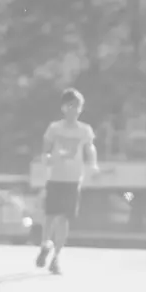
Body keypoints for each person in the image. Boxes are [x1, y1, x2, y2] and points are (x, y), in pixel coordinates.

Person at [35, 89, 98, 275]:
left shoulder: (84, 130)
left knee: (64, 218)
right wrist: (46, 158)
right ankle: (45, 244)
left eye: (78, 106)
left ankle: (56, 257)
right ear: (64, 108)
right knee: (50, 216)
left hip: (73, 179)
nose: (75, 110)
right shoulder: (55, 128)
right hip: (55, 177)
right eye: (71, 106)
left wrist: (93, 164)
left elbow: (90, 148)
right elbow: (45, 149)